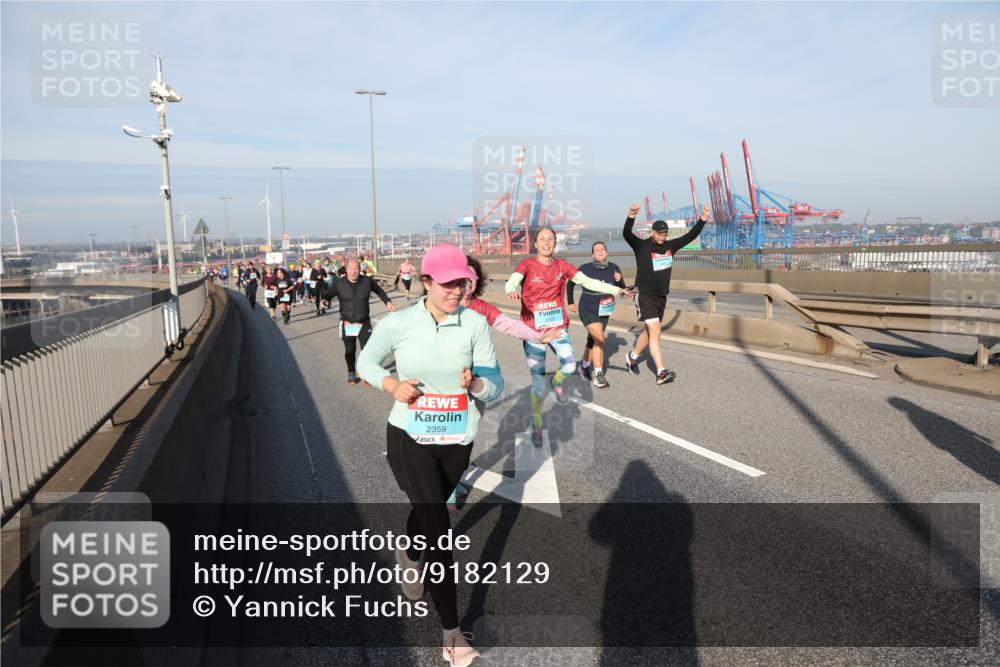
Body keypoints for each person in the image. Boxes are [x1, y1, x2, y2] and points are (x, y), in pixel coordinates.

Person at [357, 243, 502, 667]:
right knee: (439, 529)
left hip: (457, 438)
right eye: (448, 283)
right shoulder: (399, 323)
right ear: (425, 282)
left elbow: (496, 383)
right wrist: (390, 385)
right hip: (410, 435)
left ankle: (408, 552)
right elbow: (367, 362)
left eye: (463, 282)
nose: (457, 290)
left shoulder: (474, 324)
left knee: (429, 509)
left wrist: (475, 384)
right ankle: (452, 635)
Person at [506, 227, 630, 446]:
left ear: (555, 243)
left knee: (571, 366)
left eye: (550, 239)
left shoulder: (562, 266)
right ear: (536, 243)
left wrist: (617, 290)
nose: (546, 243)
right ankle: (536, 423)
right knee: (537, 384)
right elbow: (513, 280)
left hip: (556, 328)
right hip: (533, 331)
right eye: (542, 239)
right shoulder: (526, 264)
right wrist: (512, 288)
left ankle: (557, 383)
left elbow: (589, 282)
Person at [623, 203, 710, 384]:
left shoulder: (671, 246)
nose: (662, 237)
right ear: (652, 232)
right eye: (660, 233)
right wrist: (631, 216)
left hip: (661, 296)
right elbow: (626, 234)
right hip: (645, 295)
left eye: (665, 234)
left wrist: (702, 219)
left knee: (650, 332)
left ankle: (632, 357)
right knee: (656, 330)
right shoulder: (642, 246)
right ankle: (661, 372)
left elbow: (690, 235)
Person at [321, 259, 396, 384]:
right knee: (350, 350)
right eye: (350, 269)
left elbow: (378, 290)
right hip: (347, 323)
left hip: (363, 322)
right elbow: (328, 294)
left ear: (359, 270)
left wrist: (387, 302)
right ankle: (351, 372)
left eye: (356, 269)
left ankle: (365, 374)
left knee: (366, 350)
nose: (353, 272)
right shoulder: (339, 283)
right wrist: (325, 300)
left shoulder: (366, 281)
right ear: (346, 270)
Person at [566, 242, 628, 388]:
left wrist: (620, 281)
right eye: (596, 250)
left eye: (603, 249)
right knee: (599, 338)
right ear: (592, 254)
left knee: (593, 340)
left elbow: (621, 290)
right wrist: (570, 302)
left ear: (607, 252)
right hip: (588, 307)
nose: (600, 251)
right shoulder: (584, 268)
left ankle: (584, 367)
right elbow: (570, 283)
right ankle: (599, 375)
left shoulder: (614, 268)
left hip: (605, 309)